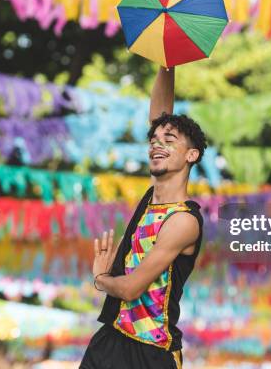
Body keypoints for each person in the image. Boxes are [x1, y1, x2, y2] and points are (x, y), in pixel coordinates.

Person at [79, 67, 207, 369]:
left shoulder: (182, 221)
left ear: (191, 155)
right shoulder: (152, 199)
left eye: (169, 140)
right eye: (153, 140)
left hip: (151, 353)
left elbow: (130, 288)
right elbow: (160, 116)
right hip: (111, 339)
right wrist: (168, 61)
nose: (156, 144)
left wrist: (101, 279)